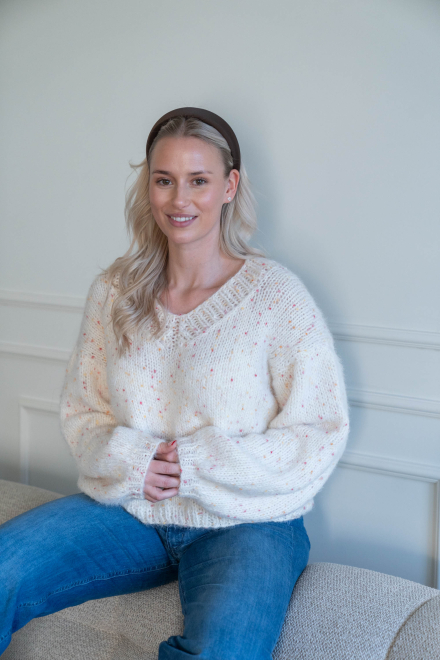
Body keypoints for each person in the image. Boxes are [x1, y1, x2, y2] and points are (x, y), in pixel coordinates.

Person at [0, 107, 350, 659]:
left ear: (229, 186)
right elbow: (83, 410)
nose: (179, 199)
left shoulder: (277, 298)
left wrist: (202, 462)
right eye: (164, 180)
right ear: (149, 187)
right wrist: (131, 459)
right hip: (133, 509)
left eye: (198, 180)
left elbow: (319, 431)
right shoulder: (115, 291)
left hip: (248, 522)